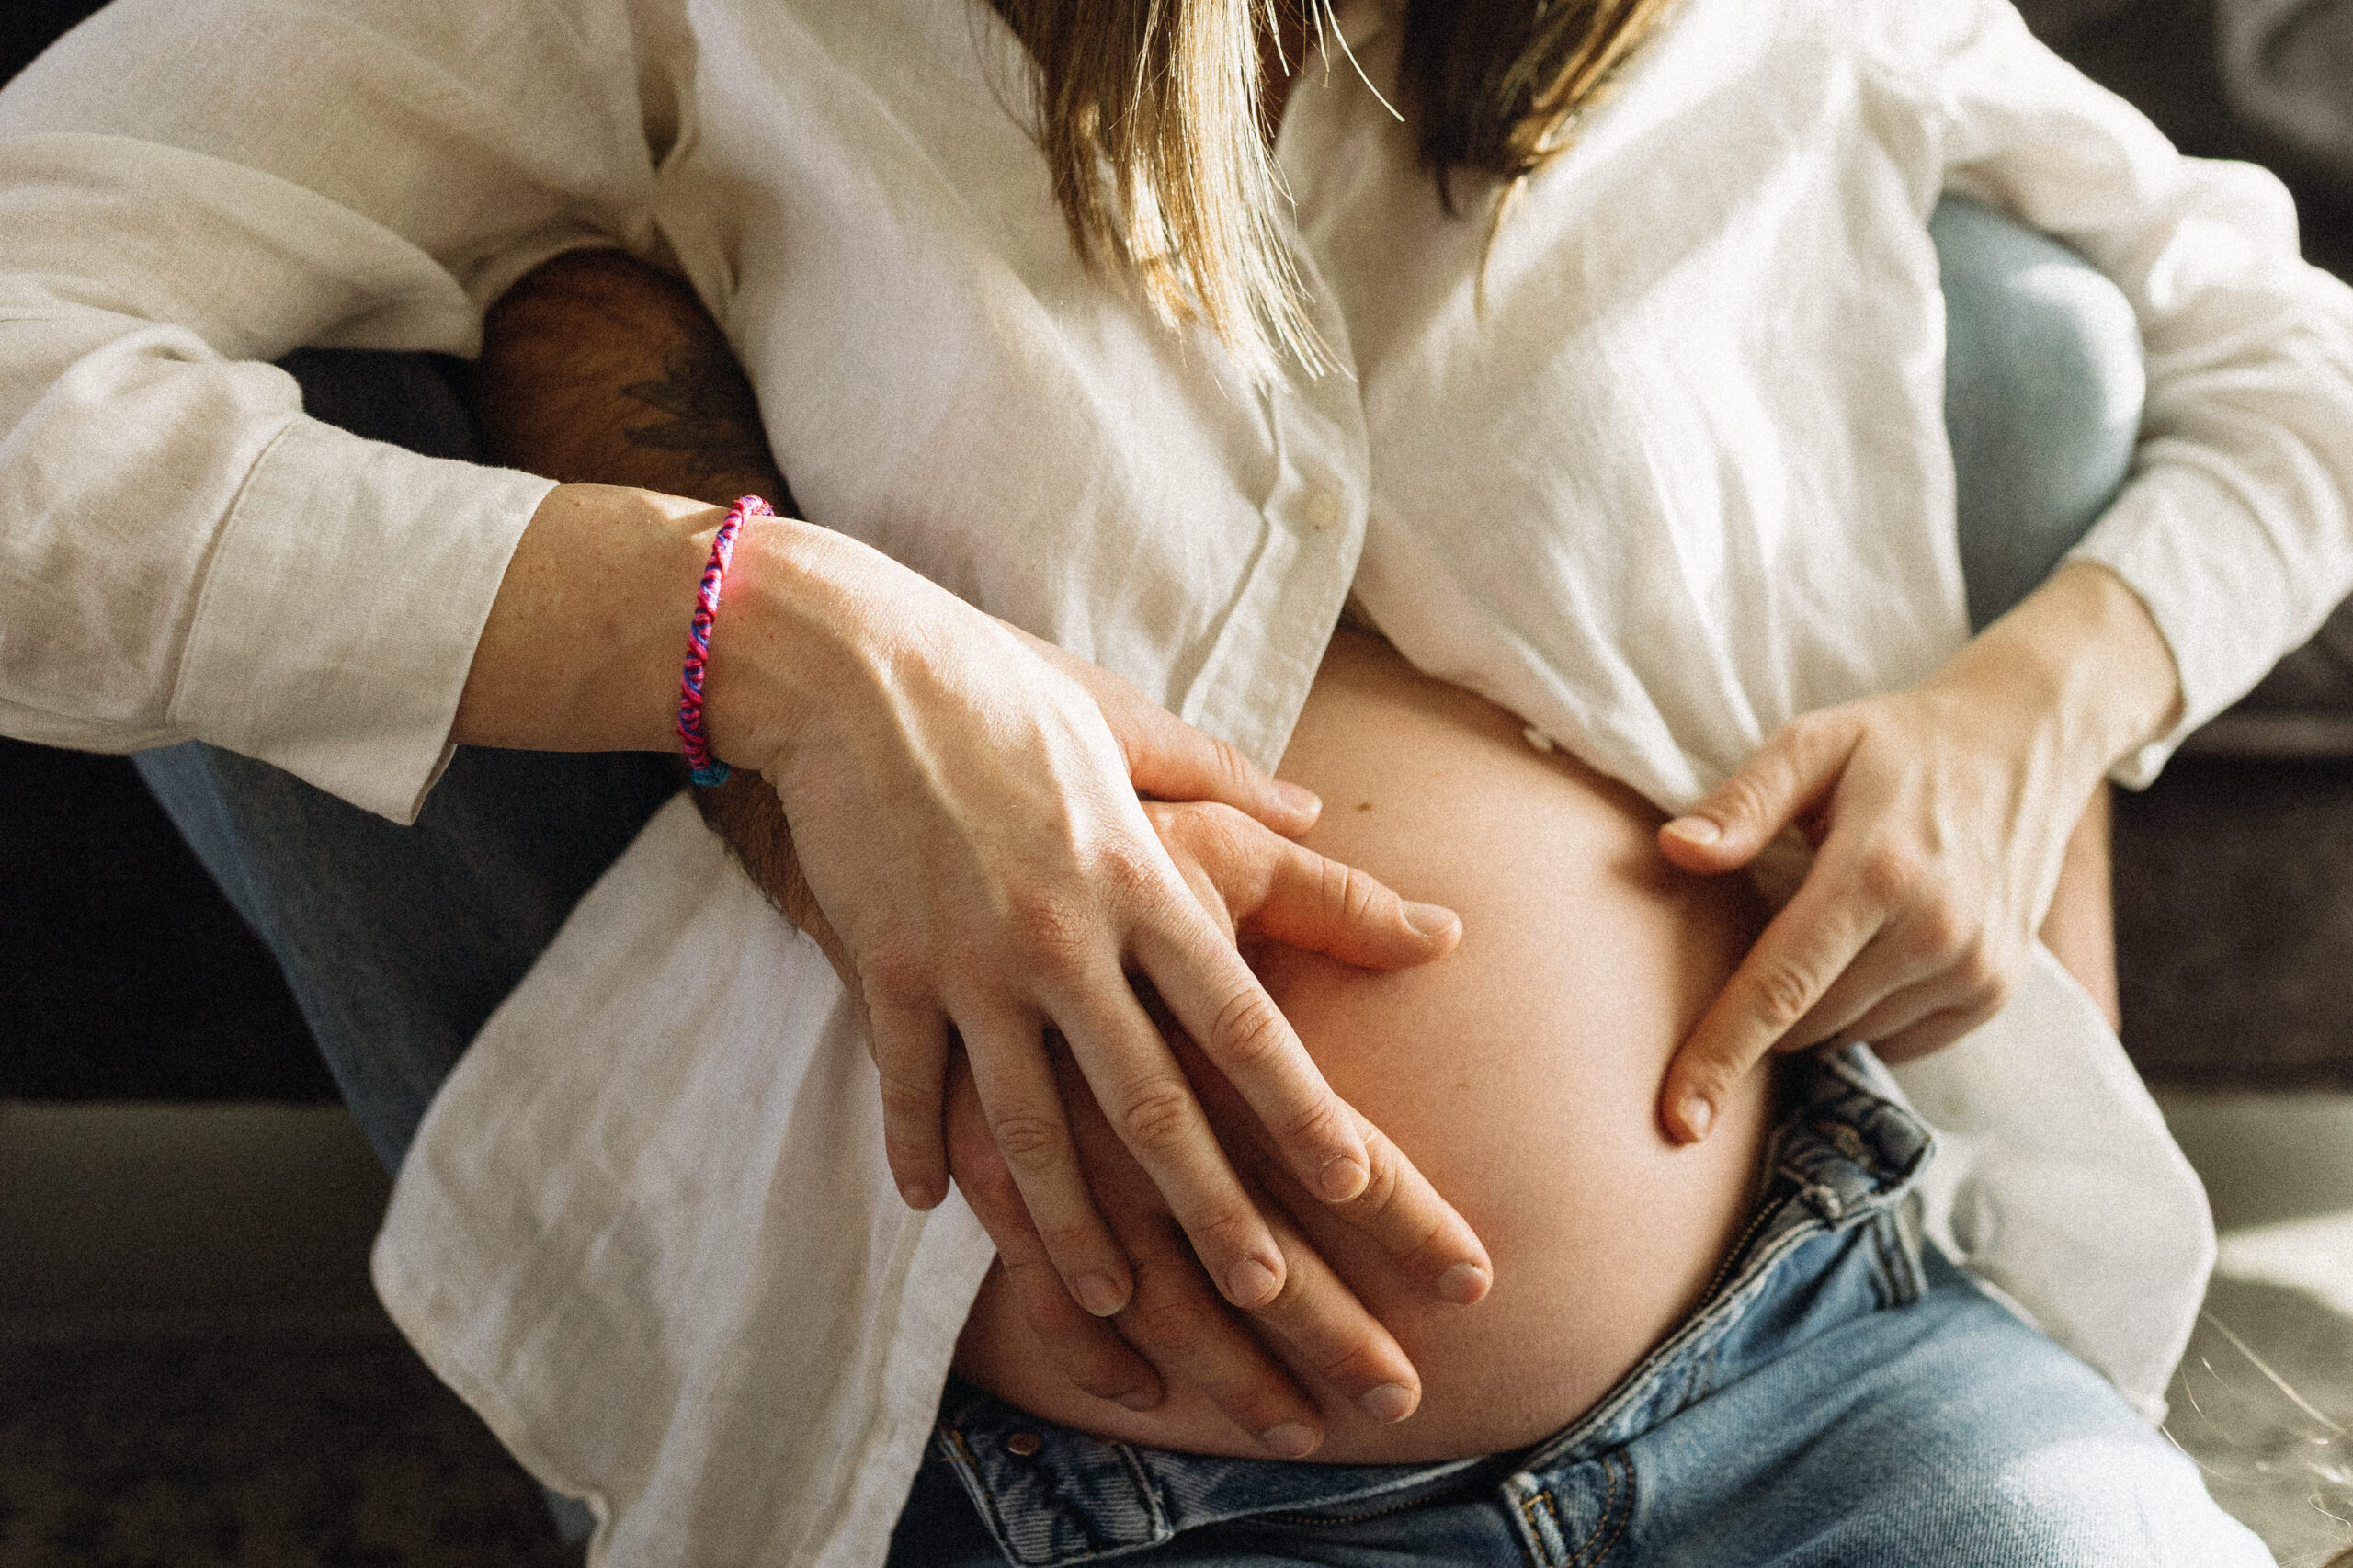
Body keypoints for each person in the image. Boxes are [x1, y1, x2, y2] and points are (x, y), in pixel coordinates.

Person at [3, 0, 2348, 1560]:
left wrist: (2028, 704)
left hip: (1828, 1364)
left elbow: (2296, 352)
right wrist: (798, 653)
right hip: (1075, 1489)